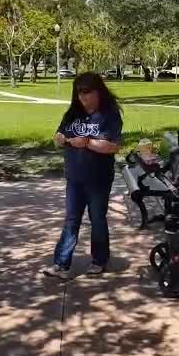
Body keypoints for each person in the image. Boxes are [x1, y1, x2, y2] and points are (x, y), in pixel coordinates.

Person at [43, 72, 123, 279]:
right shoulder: (72, 113)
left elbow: (113, 146)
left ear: (98, 92)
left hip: (98, 178)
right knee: (71, 219)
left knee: (97, 219)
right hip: (74, 177)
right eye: (79, 93)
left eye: (87, 93)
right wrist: (60, 139)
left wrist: (87, 142)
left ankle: (99, 260)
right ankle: (61, 264)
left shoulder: (109, 115)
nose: (83, 97)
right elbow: (57, 137)